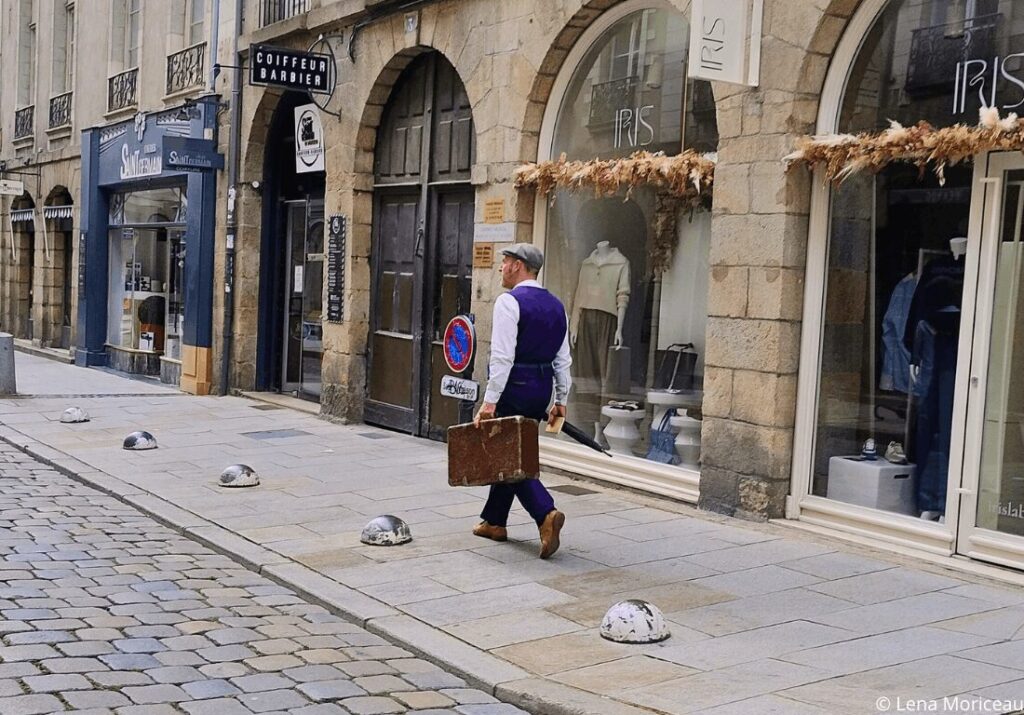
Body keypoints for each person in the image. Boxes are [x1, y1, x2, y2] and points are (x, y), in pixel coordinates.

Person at [473, 243, 570, 559]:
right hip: (541, 389)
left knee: (507, 456)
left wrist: (489, 402)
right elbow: (563, 359)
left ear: (517, 265)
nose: (501, 268)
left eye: (505, 262)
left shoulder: (509, 302)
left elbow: (502, 357)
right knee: (513, 449)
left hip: (513, 387)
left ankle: (545, 513)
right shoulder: (557, 306)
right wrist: (561, 399)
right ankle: (494, 522)